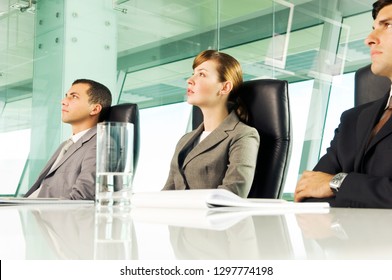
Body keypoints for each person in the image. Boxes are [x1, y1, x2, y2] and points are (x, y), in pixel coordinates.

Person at [294, 0, 392, 208]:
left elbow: (326, 184)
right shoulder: (352, 119)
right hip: (343, 238)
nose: (369, 39)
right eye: (373, 28)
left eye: (388, 25)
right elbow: (308, 191)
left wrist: (337, 182)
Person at [162, 50, 260, 198]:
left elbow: (232, 194)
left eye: (201, 74)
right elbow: (166, 193)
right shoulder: (185, 141)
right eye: (193, 73)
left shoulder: (242, 135)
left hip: (213, 220)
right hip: (178, 219)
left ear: (225, 87)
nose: (190, 79)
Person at [24, 79, 112, 200]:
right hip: (28, 209)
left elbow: (82, 197)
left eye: (74, 97)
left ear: (95, 109)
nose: (63, 101)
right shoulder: (65, 145)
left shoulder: (101, 143)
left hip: (48, 215)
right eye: (66, 96)